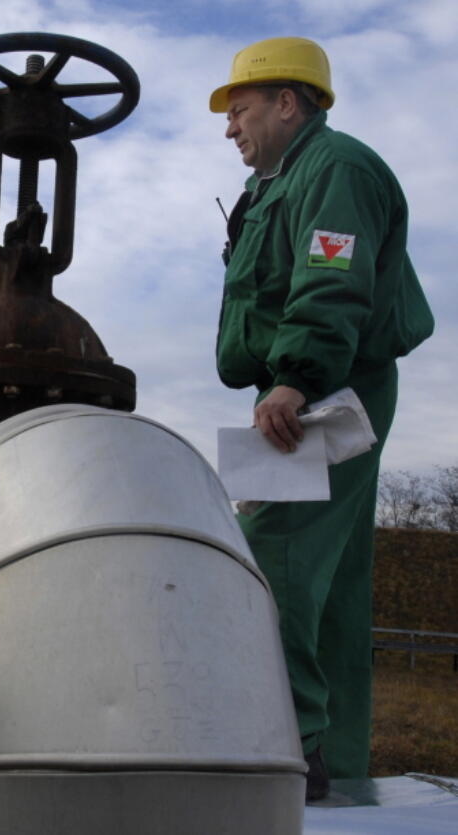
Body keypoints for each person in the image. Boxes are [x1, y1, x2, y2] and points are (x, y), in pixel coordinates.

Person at [210, 37, 433, 800]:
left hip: (333, 387)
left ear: (287, 101)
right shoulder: (279, 184)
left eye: (239, 108)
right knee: (333, 586)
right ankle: (338, 757)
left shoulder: (334, 169)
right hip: (307, 385)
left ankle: (287, 747)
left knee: (271, 556)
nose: (229, 126)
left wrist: (297, 380)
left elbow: (331, 278)